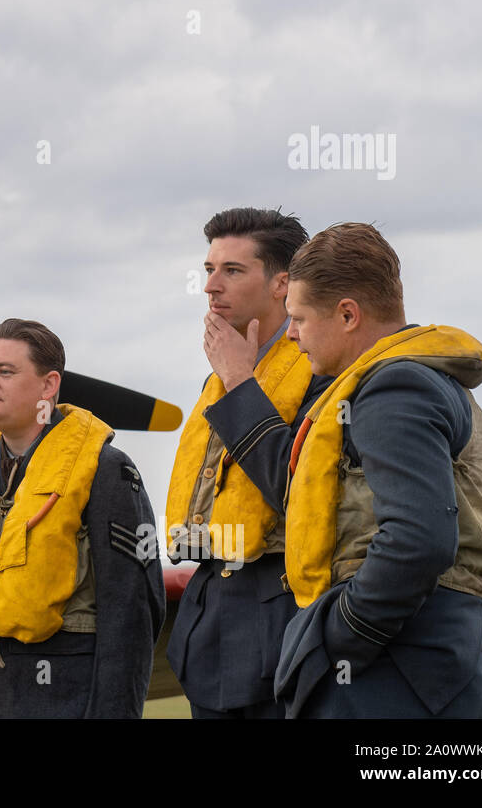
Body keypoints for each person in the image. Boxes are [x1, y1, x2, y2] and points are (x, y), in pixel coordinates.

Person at [275, 223, 482, 718]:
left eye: (297, 318)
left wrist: (343, 634)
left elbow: (419, 539)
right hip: (437, 657)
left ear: (347, 314)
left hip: (398, 666)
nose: (291, 334)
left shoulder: (394, 387)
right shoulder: (435, 380)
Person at [0, 319, 164, 718]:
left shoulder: (106, 471)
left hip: (62, 701)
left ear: (48, 386)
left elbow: (133, 615)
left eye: (5, 371)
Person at [164, 208, 331, 718]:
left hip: (281, 623)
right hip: (212, 629)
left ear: (283, 283)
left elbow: (298, 489)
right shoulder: (217, 378)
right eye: (209, 270)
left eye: (232, 271)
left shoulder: (324, 376)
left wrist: (239, 382)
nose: (212, 286)